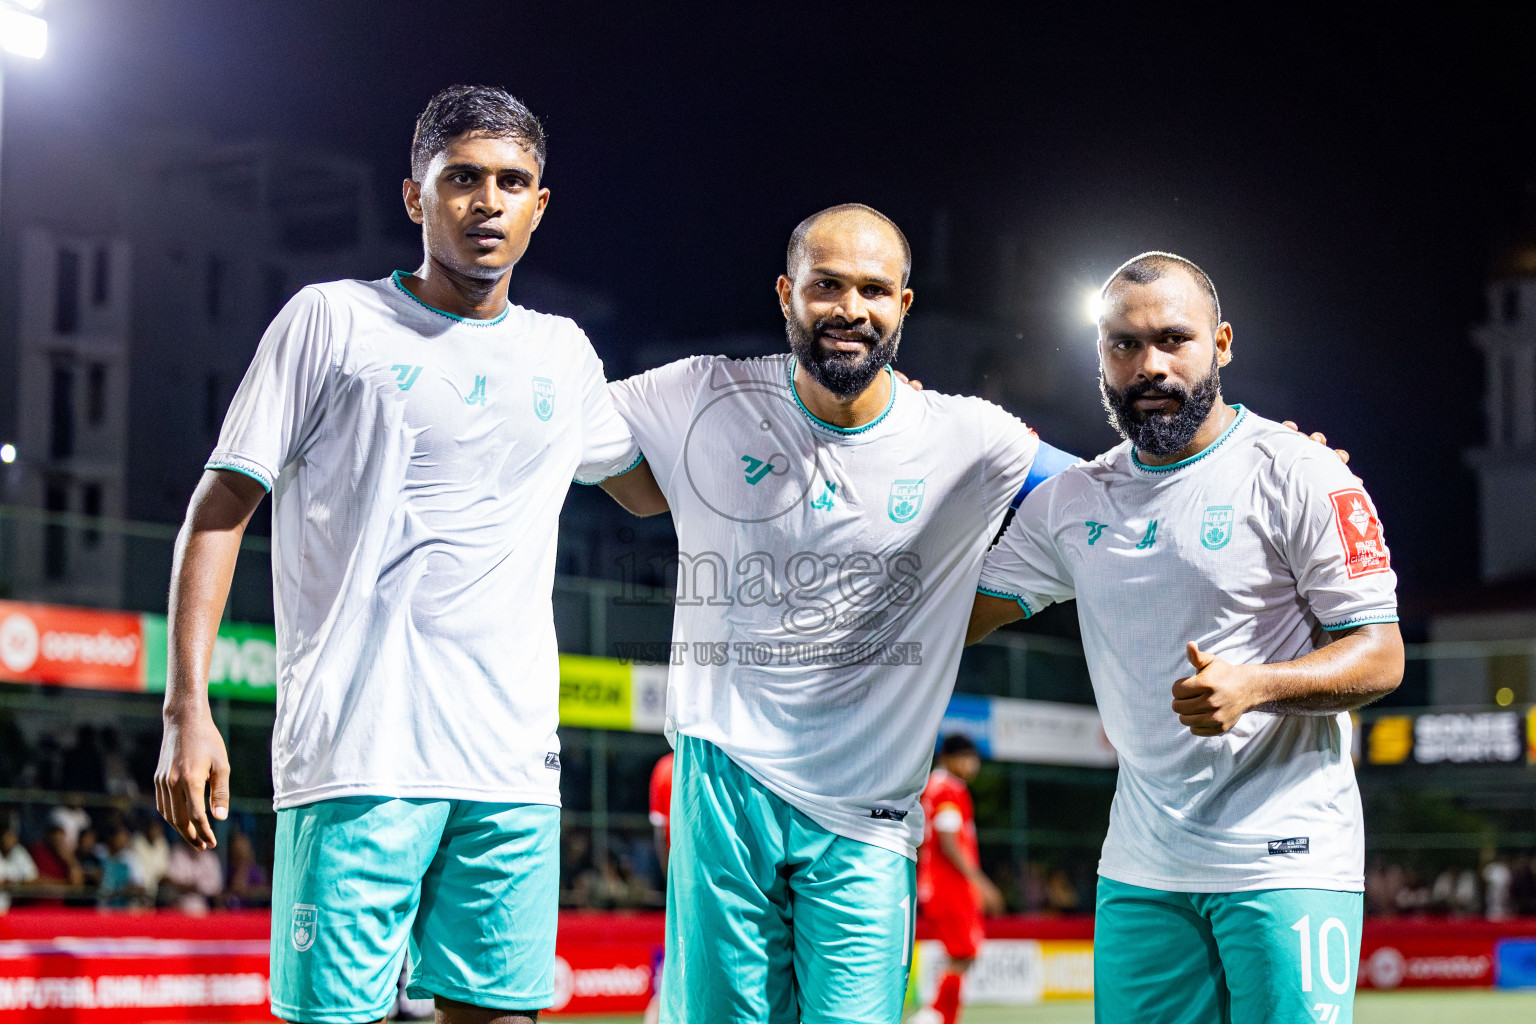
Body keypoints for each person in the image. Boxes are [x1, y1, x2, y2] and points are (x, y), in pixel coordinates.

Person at [153, 84, 665, 1024]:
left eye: (513, 181)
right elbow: (219, 510)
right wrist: (188, 708)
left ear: (540, 205)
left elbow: (659, 487)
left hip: (511, 768)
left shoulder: (562, 356)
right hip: (359, 757)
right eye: (461, 178)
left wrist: (824, 413)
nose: (487, 202)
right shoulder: (330, 321)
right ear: (413, 196)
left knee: (501, 1016)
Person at [607, 203, 1078, 1024]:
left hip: (867, 814)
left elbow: (1112, 488)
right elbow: (557, 426)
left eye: (872, 289)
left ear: (902, 304)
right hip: (724, 782)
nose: (849, 309)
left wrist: (1269, 458)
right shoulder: (704, 393)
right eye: (826, 285)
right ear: (787, 293)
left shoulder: (969, 436)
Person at [968, 251, 1404, 1024]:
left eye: (1175, 339)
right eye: (1124, 345)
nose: (1150, 365)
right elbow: (957, 616)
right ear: (1100, 355)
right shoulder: (1072, 501)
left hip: (1286, 858)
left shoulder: (1300, 473)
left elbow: (1380, 654)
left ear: (1223, 343)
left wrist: (1258, 685)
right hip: (1142, 871)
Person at [911, 734, 1003, 1024]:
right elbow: (949, 841)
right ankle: (936, 1016)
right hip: (948, 885)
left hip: (939, 884)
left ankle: (938, 1014)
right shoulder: (948, 790)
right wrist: (980, 881)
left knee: (962, 954)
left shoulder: (937, 788)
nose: (972, 765)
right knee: (964, 952)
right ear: (949, 758)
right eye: (967, 757)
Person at [642, 751, 674, 1024]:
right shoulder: (712, 760)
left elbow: (659, 838)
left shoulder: (664, 768)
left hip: (682, 883)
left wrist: (670, 883)